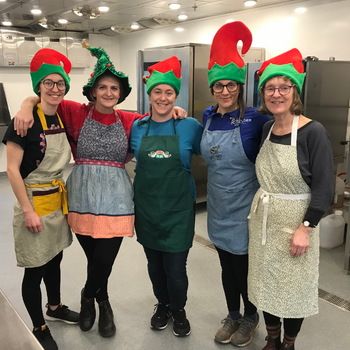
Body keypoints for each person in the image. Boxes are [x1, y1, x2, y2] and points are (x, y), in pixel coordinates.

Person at [14, 42, 186, 339]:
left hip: (118, 199)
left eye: (114, 89)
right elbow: (42, 96)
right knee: (95, 258)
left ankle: (87, 295)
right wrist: (25, 105)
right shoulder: (75, 112)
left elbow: (158, 117)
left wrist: (175, 110)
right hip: (81, 195)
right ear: (93, 91)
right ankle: (104, 303)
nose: (109, 93)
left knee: (104, 259)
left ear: (121, 94)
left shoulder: (131, 120)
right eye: (103, 87)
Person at [248, 48, 334, 350]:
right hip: (264, 222)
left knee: (292, 288)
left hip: (296, 223)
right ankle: (271, 339)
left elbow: (325, 188)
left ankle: (288, 343)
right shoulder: (267, 129)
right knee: (266, 282)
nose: (277, 93)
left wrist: (305, 228)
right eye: (270, 88)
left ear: (294, 91)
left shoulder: (313, 132)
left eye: (284, 87)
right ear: (263, 94)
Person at [2, 49, 79, 350]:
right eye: (48, 82)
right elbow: (11, 169)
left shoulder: (62, 113)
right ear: (38, 85)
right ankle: (39, 325)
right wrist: (27, 210)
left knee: (55, 258)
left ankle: (55, 306)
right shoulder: (23, 122)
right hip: (33, 204)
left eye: (60, 83)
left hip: (57, 203)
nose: (55, 88)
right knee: (35, 268)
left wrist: (27, 100)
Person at [201, 21, 270, 347]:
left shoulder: (256, 118)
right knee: (226, 265)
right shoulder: (208, 116)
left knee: (245, 269)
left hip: (245, 207)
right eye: (219, 86)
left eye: (231, 85)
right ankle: (232, 314)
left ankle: (251, 316)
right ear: (212, 88)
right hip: (217, 205)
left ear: (240, 88)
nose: (225, 91)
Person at [129, 56, 203, 337]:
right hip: (147, 209)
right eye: (157, 92)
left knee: (176, 268)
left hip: (178, 211)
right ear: (149, 95)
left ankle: (179, 309)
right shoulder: (137, 127)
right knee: (154, 265)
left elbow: (209, 154)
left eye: (169, 92)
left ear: (176, 95)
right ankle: (162, 305)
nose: (163, 97)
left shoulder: (190, 126)